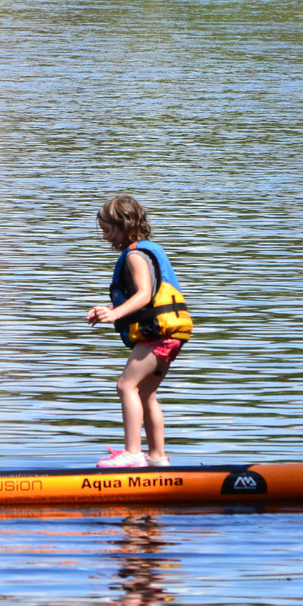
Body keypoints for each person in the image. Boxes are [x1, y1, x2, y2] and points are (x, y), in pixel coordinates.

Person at [86, 195, 192, 468]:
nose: (105, 237)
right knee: (145, 394)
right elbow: (149, 298)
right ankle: (157, 459)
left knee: (126, 385)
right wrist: (108, 308)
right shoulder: (149, 250)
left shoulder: (134, 255)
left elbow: (144, 295)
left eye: (108, 230)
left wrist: (115, 314)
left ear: (126, 225)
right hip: (171, 335)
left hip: (159, 335)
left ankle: (132, 452)